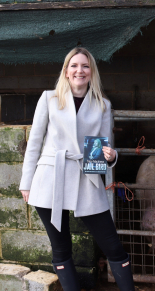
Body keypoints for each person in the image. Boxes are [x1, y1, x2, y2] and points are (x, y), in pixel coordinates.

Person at [19, 47, 135, 291]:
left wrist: (112, 156)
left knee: (112, 245)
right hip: (51, 177)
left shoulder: (102, 105)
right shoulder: (49, 98)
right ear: (66, 70)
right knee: (61, 246)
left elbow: (105, 149)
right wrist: (26, 183)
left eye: (84, 65)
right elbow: (35, 143)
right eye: (74, 65)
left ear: (91, 72)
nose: (79, 70)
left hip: (86, 179)